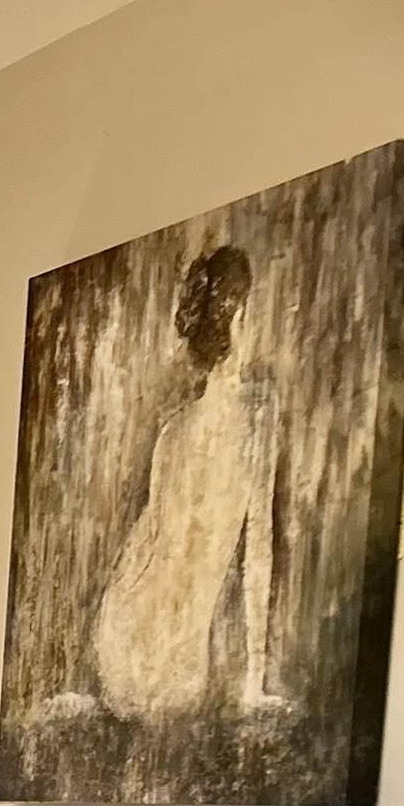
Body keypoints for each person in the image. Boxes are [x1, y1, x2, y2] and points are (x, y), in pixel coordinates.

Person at [75, 242, 286, 726]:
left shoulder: (174, 429)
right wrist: (254, 683)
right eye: (248, 313)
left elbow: (145, 548)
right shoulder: (259, 414)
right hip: (174, 671)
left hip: (120, 645)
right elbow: (257, 554)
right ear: (236, 322)